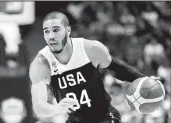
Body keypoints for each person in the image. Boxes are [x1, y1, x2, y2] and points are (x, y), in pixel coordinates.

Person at [29, 11, 160, 123]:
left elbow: (117, 68)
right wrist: (56, 108)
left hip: (105, 116)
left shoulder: (90, 49)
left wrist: (143, 79)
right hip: (75, 119)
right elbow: (39, 108)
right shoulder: (41, 64)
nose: (51, 36)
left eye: (56, 30)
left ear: (68, 30)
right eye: (46, 32)